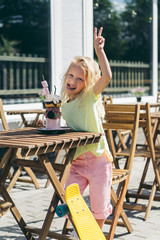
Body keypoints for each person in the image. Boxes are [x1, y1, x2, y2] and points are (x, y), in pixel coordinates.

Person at [61, 27, 113, 231]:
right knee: (68, 198)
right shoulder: (65, 106)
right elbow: (74, 127)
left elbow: (107, 76)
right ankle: (81, 230)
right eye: (71, 75)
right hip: (77, 160)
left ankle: (95, 234)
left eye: (80, 79)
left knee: (99, 205)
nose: (73, 81)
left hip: (98, 161)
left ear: (88, 83)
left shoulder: (89, 97)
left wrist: (99, 51)